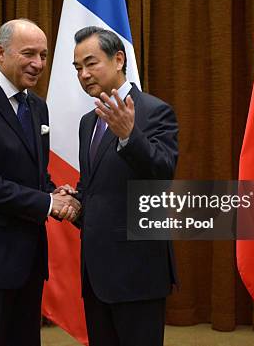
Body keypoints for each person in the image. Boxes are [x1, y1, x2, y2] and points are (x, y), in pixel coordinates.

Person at [0, 18, 80, 346]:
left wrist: (54, 190)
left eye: (44, 55)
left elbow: (35, 175)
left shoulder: (37, 107)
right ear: (0, 53)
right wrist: (49, 203)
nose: (38, 64)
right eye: (29, 54)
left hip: (29, 259)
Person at [71, 26, 179, 346]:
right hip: (96, 273)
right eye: (78, 68)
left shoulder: (155, 111)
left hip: (137, 272)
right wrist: (74, 200)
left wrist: (129, 137)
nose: (84, 74)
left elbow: (162, 175)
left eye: (91, 63)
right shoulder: (88, 122)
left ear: (118, 60)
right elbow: (96, 188)